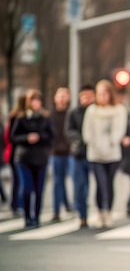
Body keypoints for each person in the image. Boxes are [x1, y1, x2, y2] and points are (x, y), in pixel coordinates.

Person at [82, 79, 128, 227]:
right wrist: (92, 143)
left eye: (104, 93)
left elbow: (120, 130)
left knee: (109, 184)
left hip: (112, 152)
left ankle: (108, 212)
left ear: (110, 94)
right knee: (100, 184)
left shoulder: (118, 109)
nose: (102, 96)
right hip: (95, 153)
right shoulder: (92, 110)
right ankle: (100, 212)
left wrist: (113, 141)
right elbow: (87, 131)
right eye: (99, 93)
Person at [10, 89, 54, 227]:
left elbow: (52, 137)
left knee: (39, 189)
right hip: (23, 158)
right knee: (27, 188)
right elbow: (12, 137)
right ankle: (27, 217)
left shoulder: (45, 118)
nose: (36, 104)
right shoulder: (21, 117)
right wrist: (26, 138)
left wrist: (40, 137)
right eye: (33, 101)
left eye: (38, 101)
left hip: (40, 157)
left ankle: (37, 217)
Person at [66, 84, 95, 228]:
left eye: (89, 96)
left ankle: (99, 211)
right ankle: (82, 215)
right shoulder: (74, 112)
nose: (86, 99)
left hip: (95, 154)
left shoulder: (97, 111)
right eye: (84, 96)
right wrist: (79, 138)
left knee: (95, 186)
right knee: (79, 186)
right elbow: (69, 130)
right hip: (78, 154)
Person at [49, 87, 73, 221]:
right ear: (55, 98)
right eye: (60, 95)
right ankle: (56, 210)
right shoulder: (51, 115)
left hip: (70, 152)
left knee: (73, 180)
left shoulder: (71, 114)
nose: (63, 98)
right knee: (58, 181)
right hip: (56, 152)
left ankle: (71, 206)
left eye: (65, 95)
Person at [4, 93, 27, 216]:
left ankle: (16, 204)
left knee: (17, 181)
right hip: (16, 153)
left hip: (16, 153)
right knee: (19, 181)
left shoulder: (14, 116)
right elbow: (10, 137)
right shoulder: (17, 117)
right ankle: (17, 204)